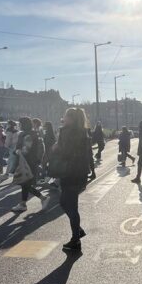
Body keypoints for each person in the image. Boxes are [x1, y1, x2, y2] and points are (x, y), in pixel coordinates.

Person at [54, 108, 92, 252]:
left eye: (65, 116)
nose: (63, 118)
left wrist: (56, 147)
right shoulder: (83, 132)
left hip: (69, 172)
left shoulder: (66, 131)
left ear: (70, 118)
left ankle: (76, 239)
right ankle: (77, 231)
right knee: (68, 203)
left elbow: (66, 152)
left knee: (67, 203)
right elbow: (87, 153)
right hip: (80, 172)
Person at [11, 117, 47, 213]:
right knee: (25, 183)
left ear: (24, 124)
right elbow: (41, 148)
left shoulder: (26, 135)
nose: (19, 125)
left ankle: (42, 198)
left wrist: (17, 151)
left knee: (25, 183)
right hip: (32, 162)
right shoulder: (34, 133)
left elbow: (26, 150)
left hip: (27, 162)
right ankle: (23, 204)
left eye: (20, 124)